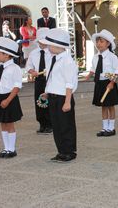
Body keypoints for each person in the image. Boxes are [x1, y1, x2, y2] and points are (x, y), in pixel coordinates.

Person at [39, 28, 78, 162]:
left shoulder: (67, 61)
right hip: (54, 96)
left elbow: (69, 83)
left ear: (58, 45)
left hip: (63, 97)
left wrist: (67, 101)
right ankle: (61, 151)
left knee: (66, 125)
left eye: (49, 44)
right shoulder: (53, 59)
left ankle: (69, 151)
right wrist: (47, 92)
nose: (48, 47)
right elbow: (52, 78)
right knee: (56, 125)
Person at [0, 37, 23, 158]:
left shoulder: (15, 68)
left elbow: (17, 87)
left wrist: (7, 100)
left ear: (6, 55)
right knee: (3, 123)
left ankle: (12, 149)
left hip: (9, 98)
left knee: (9, 123)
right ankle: (6, 147)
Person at [88, 29, 118, 137]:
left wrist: (112, 83)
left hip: (109, 82)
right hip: (100, 83)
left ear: (108, 43)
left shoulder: (112, 57)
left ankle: (111, 128)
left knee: (110, 106)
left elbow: (117, 72)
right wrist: (88, 76)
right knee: (103, 106)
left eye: (101, 41)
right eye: (97, 42)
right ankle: (104, 127)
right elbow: (93, 69)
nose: (98, 44)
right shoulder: (95, 57)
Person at [26, 27, 52, 135]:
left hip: (49, 79)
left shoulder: (51, 52)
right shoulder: (34, 53)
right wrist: (32, 72)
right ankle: (42, 123)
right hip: (39, 80)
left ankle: (50, 124)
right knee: (39, 101)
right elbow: (29, 66)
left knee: (49, 102)